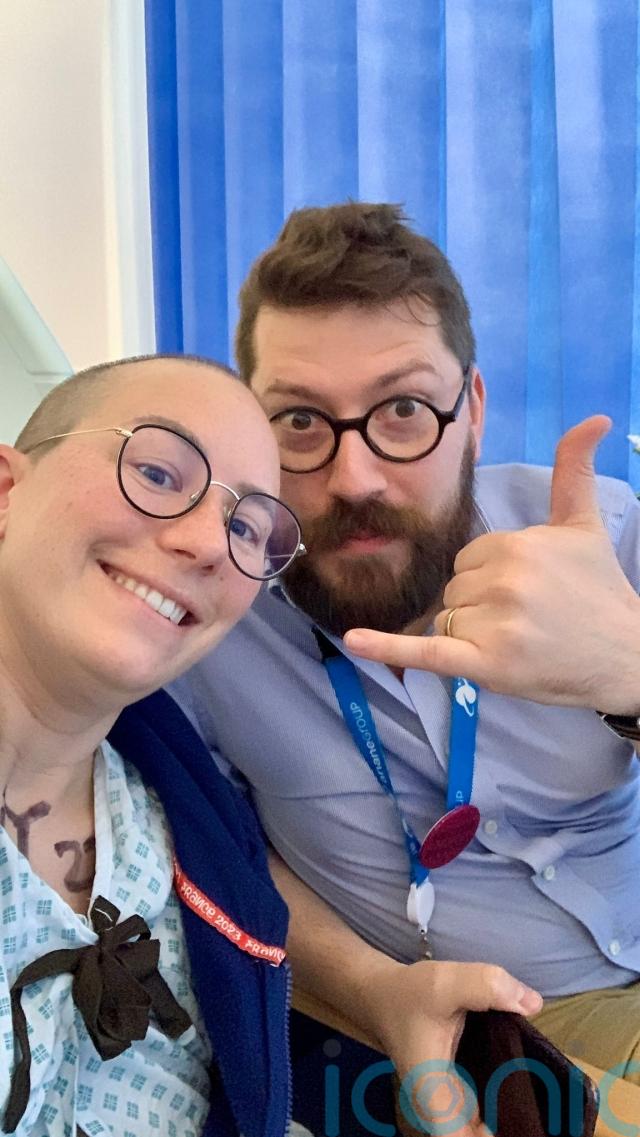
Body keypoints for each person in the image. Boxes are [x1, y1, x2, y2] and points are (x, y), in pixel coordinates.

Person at [170, 203, 640, 1107]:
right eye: (299, 420)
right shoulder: (207, 617)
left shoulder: (601, 538)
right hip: (493, 1040)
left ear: (473, 411)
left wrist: (630, 672)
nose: (355, 477)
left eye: (403, 410)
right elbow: (224, 855)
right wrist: (374, 990)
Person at [0, 353, 310, 1137]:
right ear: (6, 491)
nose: (209, 543)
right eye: (160, 473)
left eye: (246, 528)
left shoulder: (197, 842)